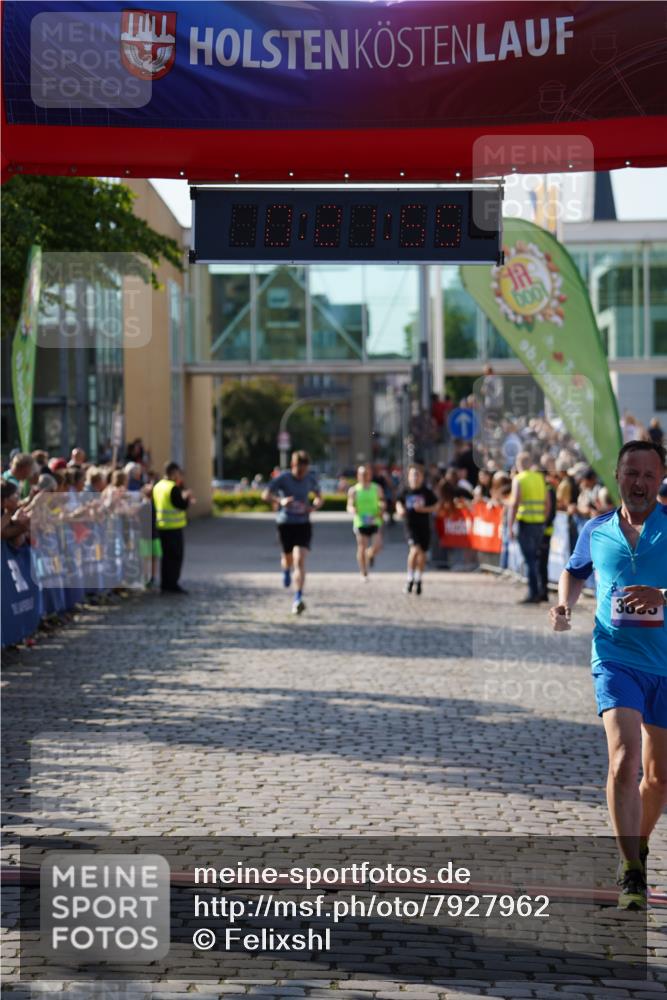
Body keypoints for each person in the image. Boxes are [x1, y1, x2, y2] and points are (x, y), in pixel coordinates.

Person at [549, 441, 667, 910]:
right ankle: (634, 874)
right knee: (624, 759)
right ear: (616, 476)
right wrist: (564, 604)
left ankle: (633, 847)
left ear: (660, 479)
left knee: (659, 779)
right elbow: (574, 572)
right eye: (630, 473)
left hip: (665, 664)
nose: (639, 483)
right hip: (614, 658)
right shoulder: (595, 529)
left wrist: (663, 594)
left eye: (648, 475)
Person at [262, 450, 322, 615]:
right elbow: (265, 494)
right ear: (293, 466)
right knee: (287, 558)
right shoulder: (283, 478)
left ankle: (298, 597)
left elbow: (319, 497)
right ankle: (286, 571)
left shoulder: (310, 479)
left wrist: (314, 506)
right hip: (285, 523)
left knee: (300, 558)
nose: (303, 474)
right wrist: (280, 501)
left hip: (303, 523)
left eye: (305, 470)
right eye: (300, 470)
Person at [508, 452, 546, 604]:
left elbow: (514, 503)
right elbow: (547, 503)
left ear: (519, 464)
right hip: (539, 523)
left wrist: (510, 526)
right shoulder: (539, 478)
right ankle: (538, 591)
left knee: (529, 559)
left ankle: (533, 592)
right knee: (535, 559)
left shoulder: (519, 479)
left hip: (525, 523)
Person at [396, 463, 439, 595]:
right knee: (414, 550)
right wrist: (400, 510)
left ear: (421, 477)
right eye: (412, 475)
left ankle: (419, 579)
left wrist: (423, 509)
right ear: (408, 477)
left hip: (424, 526)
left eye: (417, 475)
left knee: (422, 554)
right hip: (410, 525)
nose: (415, 478)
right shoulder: (405, 490)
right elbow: (398, 502)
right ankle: (409, 579)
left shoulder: (427, 492)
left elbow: (436, 506)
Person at [153, 461, 196, 594]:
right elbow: (181, 505)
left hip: (161, 526)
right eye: (178, 473)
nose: (180, 476)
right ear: (173, 473)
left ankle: (165, 584)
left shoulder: (158, 486)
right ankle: (172, 584)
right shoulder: (172, 487)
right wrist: (187, 498)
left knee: (165, 558)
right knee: (175, 558)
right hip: (173, 527)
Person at [347, 464, 385, 580]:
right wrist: (353, 510)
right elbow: (349, 505)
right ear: (358, 476)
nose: (364, 476)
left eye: (366, 474)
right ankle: (364, 572)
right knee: (361, 546)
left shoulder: (376, 488)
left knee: (377, 546)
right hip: (360, 521)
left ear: (370, 475)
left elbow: (382, 501)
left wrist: (382, 507)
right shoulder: (353, 490)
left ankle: (370, 554)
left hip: (375, 520)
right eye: (361, 474)